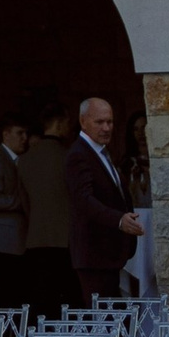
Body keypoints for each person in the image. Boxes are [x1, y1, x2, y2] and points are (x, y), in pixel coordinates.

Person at [66, 94, 142, 299]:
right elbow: (84, 201)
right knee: (102, 319)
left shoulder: (101, 152)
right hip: (94, 254)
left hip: (109, 253)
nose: (106, 128)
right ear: (83, 121)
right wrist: (118, 220)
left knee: (113, 317)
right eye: (99, 122)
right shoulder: (79, 154)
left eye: (110, 122)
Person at [21, 103, 77, 316]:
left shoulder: (25, 160)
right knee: (68, 301)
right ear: (60, 123)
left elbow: (24, 201)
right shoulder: (68, 157)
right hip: (64, 239)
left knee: (41, 302)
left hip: (36, 238)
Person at [0, 115, 35, 308]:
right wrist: (25, 202)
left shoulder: (22, 160)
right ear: (6, 134)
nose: (24, 138)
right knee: (5, 293)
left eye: (26, 133)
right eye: (20, 133)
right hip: (3, 241)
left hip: (19, 240)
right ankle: (0, 336)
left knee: (19, 293)